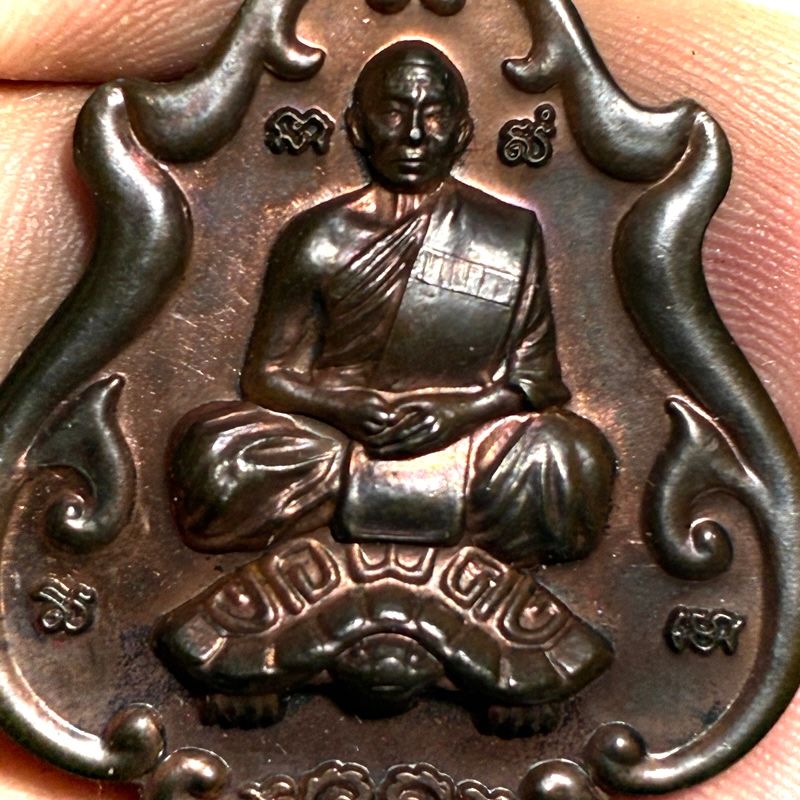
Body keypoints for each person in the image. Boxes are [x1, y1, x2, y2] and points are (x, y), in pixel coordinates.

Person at [1, 1, 797, 798]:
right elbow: (269, 377)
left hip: (472, 450)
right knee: (218, 454)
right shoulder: (317, 235)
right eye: (394, 110)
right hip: (334, 447)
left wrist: (460, 412)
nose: (414, 131)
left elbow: (535, 380)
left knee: (569, 456)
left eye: (434, 112)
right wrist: (348, 410)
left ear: (461, 131)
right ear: (358, 126)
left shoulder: (510, 232)